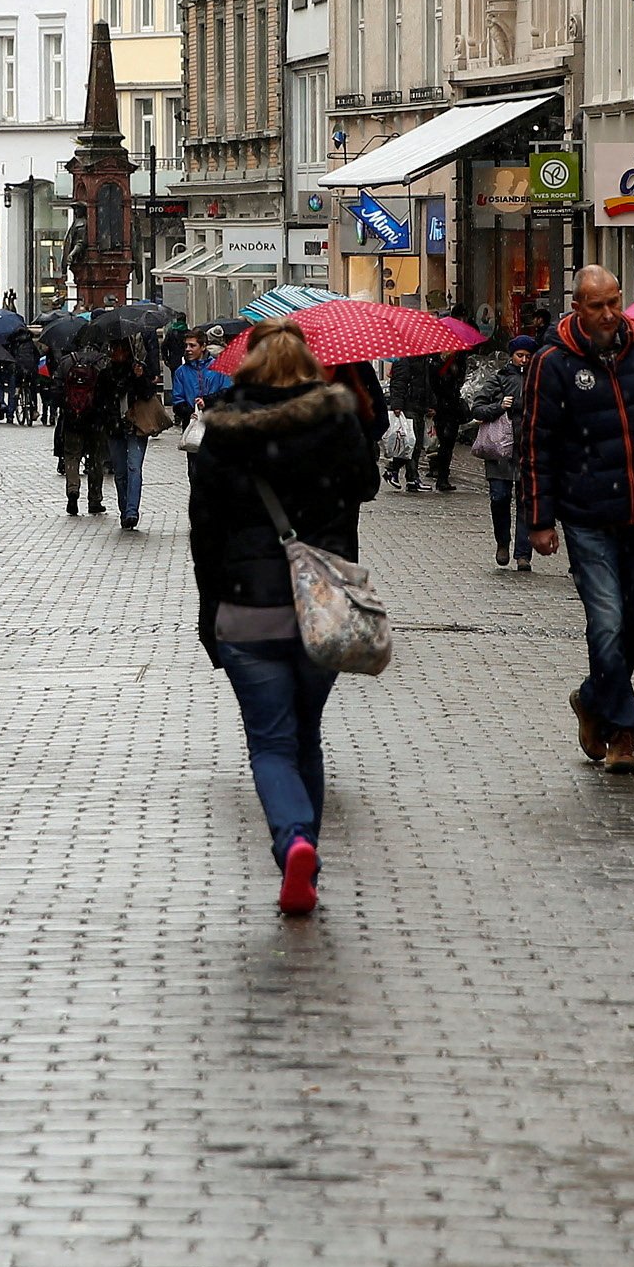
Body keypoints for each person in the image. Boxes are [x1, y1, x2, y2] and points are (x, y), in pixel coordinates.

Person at [188, 319, 382, 915]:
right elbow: (367, 486)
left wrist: (208, 612)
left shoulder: (221, 429)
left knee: (271, 744)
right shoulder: (337, 418)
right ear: (307, 365)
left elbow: (205, 530)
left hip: (246, 606)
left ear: (246, 366)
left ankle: (294, 841)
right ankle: (306, 851)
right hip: (318, 606)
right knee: (306, 738)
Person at [520, 267, 634, 774]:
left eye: (614, 302)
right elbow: (537, 445)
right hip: (587, 516)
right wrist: (539, 519)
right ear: (577, 308)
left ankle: (592, 698)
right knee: (607, 623)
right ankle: (623, 732)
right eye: (596, 306)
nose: (608, 314)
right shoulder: (552, 363)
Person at [467, 337, 534, 569]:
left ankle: (523, 554)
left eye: (527, 356)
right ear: (512, 356)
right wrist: (499, 406)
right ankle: (502, 542)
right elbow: (477, 408)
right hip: (500, 449)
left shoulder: (538, 379)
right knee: (499, 497)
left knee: (526, 502)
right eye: (520, 355)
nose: (524, 360)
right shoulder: (499, 378)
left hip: (527, 448)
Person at [96, 318, 162, 532]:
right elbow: (99, 401)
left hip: (136, 427)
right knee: (121, 472)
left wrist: (140, 378)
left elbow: (148, 394)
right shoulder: (106, 375)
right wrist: (105, 419)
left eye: (119, 349)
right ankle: (125, 509)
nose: (115, 352)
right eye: (113, 349)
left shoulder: (137, 371)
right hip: (115, 427)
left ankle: (132, 511)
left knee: (134, 468)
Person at [55, 326, 119, 516]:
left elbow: (56, 389)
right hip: (96, 418)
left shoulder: (67, 361)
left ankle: (72, 491)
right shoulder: (103, 362)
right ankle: (94, 499)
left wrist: (66, 407)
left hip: (73, 417)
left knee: (71, 456)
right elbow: (111, 390)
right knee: (96, 459)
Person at [424, 351, 471, 494]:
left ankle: (443, 477)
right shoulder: (433, 361)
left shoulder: (459, 360)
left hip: (452, 407)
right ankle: (438, 473)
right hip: (438, 407)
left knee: (448, 443)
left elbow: (459, 382)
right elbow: (430, 384)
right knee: (439, 442)